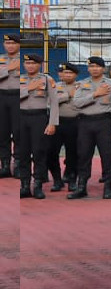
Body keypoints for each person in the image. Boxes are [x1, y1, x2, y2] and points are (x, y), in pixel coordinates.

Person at [69, 56, 111, 199]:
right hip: (85, 123)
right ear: (88, 68)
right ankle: (81, 186)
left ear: (103, 68)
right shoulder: (82, 84)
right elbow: (76, 103)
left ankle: (108, 187)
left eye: (97, 66)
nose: (94, 69)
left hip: (104, 122)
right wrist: (95, 94)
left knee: (108, 155)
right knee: (83, 155)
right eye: (91, 66)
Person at [17, 52, 58, 200]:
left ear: (39, 65)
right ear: (24, 65)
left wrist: (52, 123)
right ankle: (25, 186)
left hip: (39, 118)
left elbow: (54, 103)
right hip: (21, 118)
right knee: (22, 154)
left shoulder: (47, 79)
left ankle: (38, 186)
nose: (30, 66)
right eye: (27, 63)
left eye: (33, 63)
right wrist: (28, 88)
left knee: (39, 153)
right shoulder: (18, 79)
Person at [47, 62, 80, 193]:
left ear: (76, 74)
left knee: (73, 154)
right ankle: (57, 180)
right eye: (64, 72)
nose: (66, 75)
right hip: (57, 122)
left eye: (70, 73)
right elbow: (49, 101)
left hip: (75, 123)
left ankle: (72, 180)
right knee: (50, 152)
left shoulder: (82, 87)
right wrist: (68, 95)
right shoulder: (55, 86)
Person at [0, 32, 22, 180]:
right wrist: (9, 68)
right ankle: (5, 165)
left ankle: (19, 165)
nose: (10, 46)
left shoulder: (27, 60)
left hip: (19, 97)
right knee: (3, 132)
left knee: (19, 133)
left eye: (13, 43)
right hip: (2, 96)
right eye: (8, 43)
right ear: (4, 44)